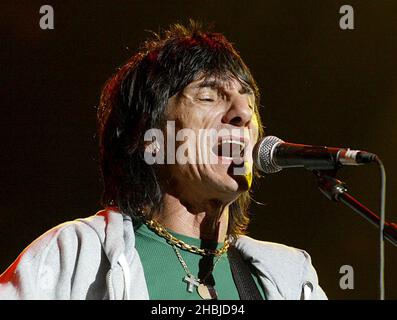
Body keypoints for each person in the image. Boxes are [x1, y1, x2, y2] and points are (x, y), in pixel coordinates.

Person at [0, 21, 327, 300]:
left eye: (249, 103)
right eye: (208, 96)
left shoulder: (290, 277)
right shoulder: (73, 255)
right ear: (150, 138)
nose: (242, 114)